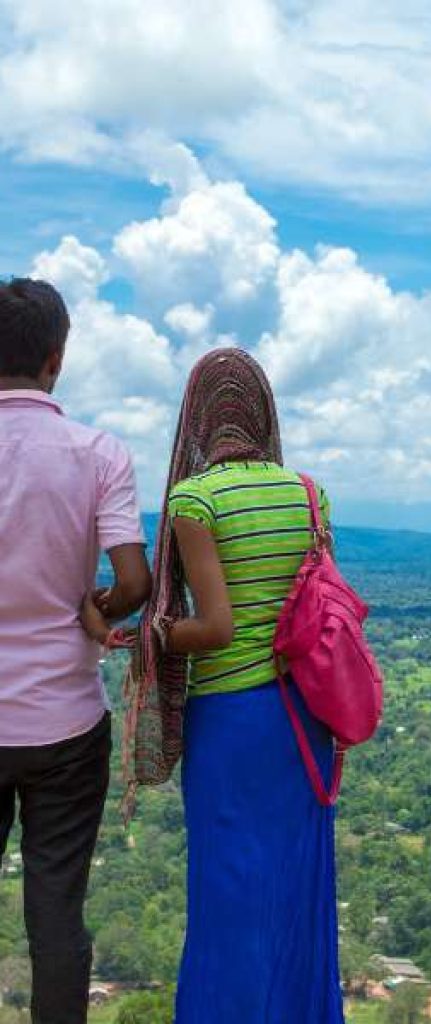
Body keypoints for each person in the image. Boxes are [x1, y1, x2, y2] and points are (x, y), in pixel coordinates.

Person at [87, 348, 344, 1022]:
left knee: (228, 896)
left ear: (196, 423)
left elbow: (220, 628)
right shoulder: (308, 493)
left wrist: (156, 634)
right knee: (297, 890)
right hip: (303, 721)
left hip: (232, 724)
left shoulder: (194, 499)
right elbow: (318, 609)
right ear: (263, 415)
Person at [0, 279, 150, 1023]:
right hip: (65, 721)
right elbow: (135, 581)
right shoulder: (98, 454)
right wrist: (93, 609)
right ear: (56, 360)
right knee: (56, 910)